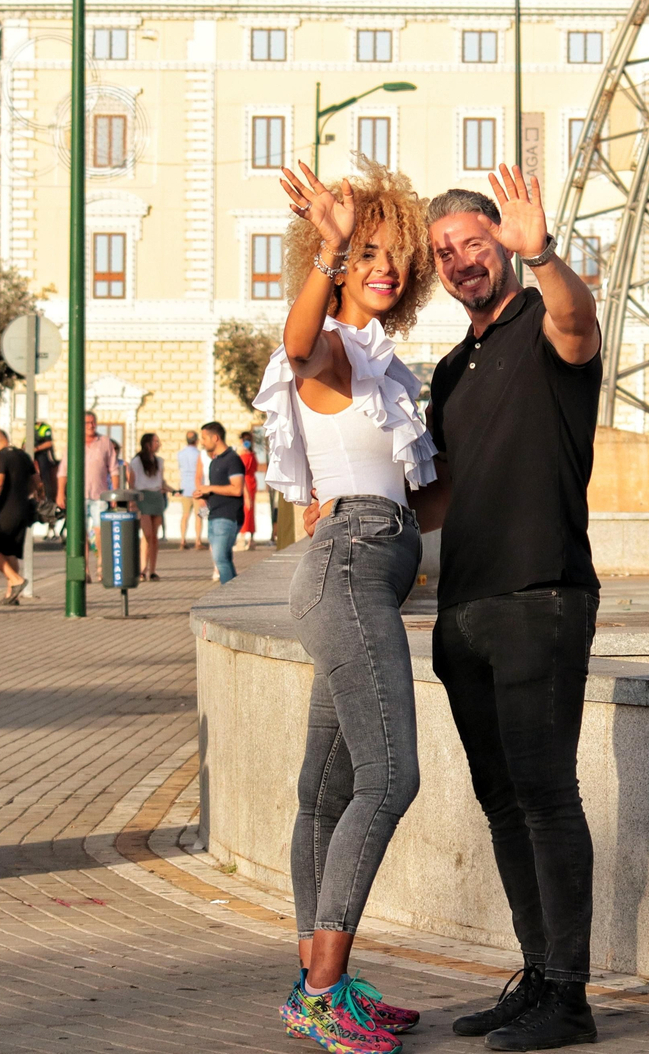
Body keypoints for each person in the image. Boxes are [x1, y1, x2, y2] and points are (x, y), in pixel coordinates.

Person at [260, 158, 438, 1054]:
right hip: (350, 567)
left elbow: (428, 498)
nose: (386, 267)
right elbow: (296, 347)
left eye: (395, 255)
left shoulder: (388, 370)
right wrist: (328, 253)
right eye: (369, 252)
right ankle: (324, 992)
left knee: (323, 792)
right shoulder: (330, 346)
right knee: (391, 777)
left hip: (364, 566)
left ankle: (314, 977)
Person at [422, 170, 603, 1049]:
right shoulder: (451, 370)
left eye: (472, 241)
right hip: (464, 608)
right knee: (501, 802)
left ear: (503, 240)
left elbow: (579, 324)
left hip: (542, 594)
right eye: (444, 252)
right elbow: (438, 498)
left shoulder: (546, 321)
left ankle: (569, 998)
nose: (461, 260)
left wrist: (546, 256)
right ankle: (536, 978)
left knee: (545, 793)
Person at [56, 412, 121, 579]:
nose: (91, 426)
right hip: (78, 497)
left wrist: (115, 493)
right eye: (87, 423)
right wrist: (60, 493)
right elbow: (63, 470)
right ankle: (84, 570)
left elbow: (114, 469)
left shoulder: (105, 442)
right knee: (80, 533)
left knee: (99, 533)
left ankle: (101, 566)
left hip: (99, 495)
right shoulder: (73, 443)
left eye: (93, 422)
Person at [0, 428, 38, 605]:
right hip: (23, 509)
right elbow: (36, 481)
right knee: (10, 552)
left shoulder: (0, 457)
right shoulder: (23, 456)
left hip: (4, 511)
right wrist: (22, 494)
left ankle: (16, 580)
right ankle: (11, 595)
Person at [194, 422, 244, 585]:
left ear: (215, 438)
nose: (202, 442)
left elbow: (237, 489)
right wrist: (206, 494)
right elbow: (221, 489)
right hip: (214, 514)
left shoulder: (232, 459)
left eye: (204, 438)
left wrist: (210, 487)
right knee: (224, 559)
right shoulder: (215, 461)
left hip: (228, 515)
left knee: (221, 558)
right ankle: (232, 595)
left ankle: (229, 596)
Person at [130, 432, 171, 581]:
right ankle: (142, 568)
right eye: (155, 441)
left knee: (154, 537)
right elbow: (132, 482)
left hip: (156, 497)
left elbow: (161, 482)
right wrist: (132, 500)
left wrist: (172, 490)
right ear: (147, 444)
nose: (158, 444)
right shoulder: (136, 461)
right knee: (146, 535)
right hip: (142, 497)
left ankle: (152, 570)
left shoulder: (159, 461)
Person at [176, 431, 204, 550]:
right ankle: (198, 541)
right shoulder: (200, 454)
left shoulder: (180, 454)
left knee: (185, 515)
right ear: (196, 440)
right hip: (197, 487)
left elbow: (180, 469)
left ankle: (183, 540)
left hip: (185, 487)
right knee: (199, 516)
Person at [235, 430, 259, 551]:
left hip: (246, 483)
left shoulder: (244, 456)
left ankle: (243, 539)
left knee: (245, 511)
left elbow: (241, 473)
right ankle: (251, 539)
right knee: (250, 511)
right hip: (252, 482)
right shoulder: (252, 454)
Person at [33, 420, 58, 493]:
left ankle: (48, 496)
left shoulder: (45, 428)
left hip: (43, 453)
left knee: (44, 471)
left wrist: (36, 448)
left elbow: (49, 443)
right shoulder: (31, 428)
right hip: (32, 453)